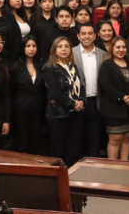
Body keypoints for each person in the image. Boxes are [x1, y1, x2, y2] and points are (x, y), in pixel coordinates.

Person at [44, 36, 86, 167]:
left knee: (73, 146)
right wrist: (73, 103)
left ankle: (71, 173)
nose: (64, 49)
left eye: (66, 46)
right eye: (60, 46)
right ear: (54, 50)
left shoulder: (72, 66)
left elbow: (81, 86)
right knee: (58, 149)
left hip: (75, 113)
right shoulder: (49, 68)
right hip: (58, 114)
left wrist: (82, 100)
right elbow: (54, 92)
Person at [97, 36, 129, 160]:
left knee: (127, 138)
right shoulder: (106, 65)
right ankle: (113, 167)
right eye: (118, 47)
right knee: (115, 138)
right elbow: (106, 85)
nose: (121, 50)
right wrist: (123, 97)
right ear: (112, 49)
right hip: (113, 108)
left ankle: (124, 165)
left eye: (123, 47)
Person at [72, 23, 107, 157]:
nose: (87, 36)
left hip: (96, 100)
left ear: (95, 36)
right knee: (77, 136)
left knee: (94, 136)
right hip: (77, 101)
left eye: (90, 33)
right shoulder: (71, 52)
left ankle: (93, 162)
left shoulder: (102, 54)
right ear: (78, 36)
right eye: (83, 34)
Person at [10, 35, 46, 155]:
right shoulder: (15, 67)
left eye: (34, 46)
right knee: (22, 142)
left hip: (38, 109)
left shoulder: (41, 66)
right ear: (23, 48)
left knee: (36, 141)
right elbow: (12, 90)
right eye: (28, 46)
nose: (31, 49)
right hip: (20, 110)